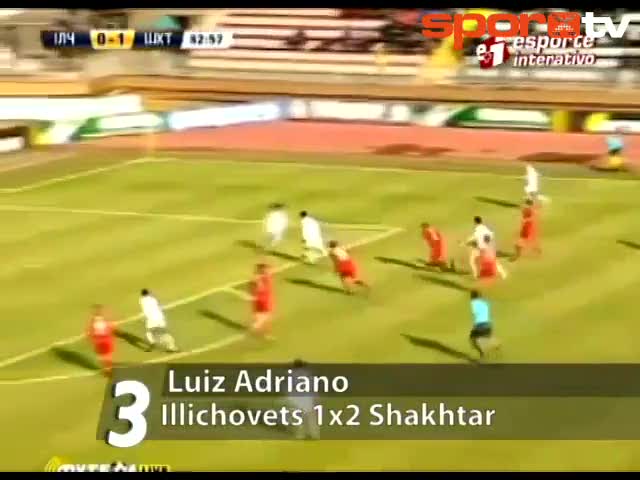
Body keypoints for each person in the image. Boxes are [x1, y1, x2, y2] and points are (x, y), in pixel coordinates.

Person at [288, 359, 320, 440]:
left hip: (298, 398)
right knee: (311, 417)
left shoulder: (292, 375)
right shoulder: (308, 374)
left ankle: (300, 435)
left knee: (299, 417)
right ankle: (314, 434)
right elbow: (313, 387)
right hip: (308, 397)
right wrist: (316, 397)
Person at [469, 290, 500, 358]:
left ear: (472, 296)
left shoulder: (473, 303)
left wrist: (475, 326)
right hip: (488, 323)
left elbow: (475, 313)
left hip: (480, 324)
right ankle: (496, 344)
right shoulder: (484, 303)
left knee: (472, 339)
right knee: (487, 336)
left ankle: (482, 353)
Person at [87, 304, 115, 376]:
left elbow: (90, 331)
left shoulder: (94, 322)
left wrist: (91, 338)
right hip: (105, 339)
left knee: (103, 356)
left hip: (100, 339)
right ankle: (108, 369)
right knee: (107, 356)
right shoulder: (104, 321)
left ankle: (107, 369)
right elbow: (110, 328)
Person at [251, 263, 274, 338]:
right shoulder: (262, 278)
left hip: (260, 299)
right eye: (266, 269)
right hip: (264, 299)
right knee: (266, 316)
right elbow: (260, 288)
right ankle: (256, 327)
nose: (268, 270)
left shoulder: (259, 277)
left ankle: (260, 330)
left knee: (259, 316)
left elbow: (255, 285)